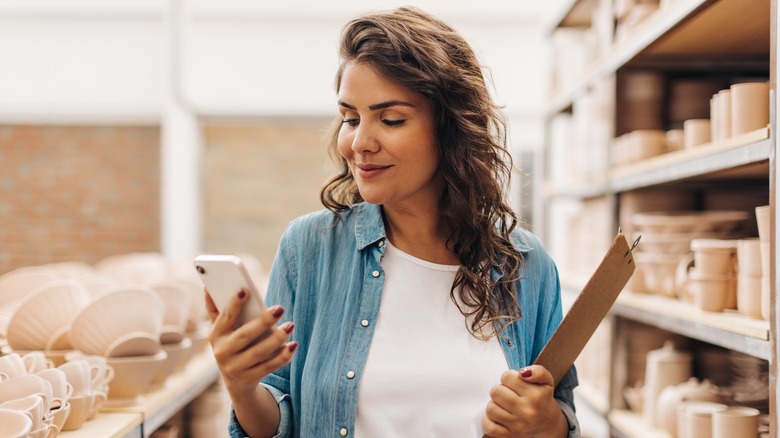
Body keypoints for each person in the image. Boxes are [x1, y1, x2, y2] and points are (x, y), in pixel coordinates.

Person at [205, 6, 579, 438]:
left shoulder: (528, 265)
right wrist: (243, 387)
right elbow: (278, 418)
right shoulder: (309, 248)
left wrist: (547, 423)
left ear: (451, 128)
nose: (359, 142)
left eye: (391, 119)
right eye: (350, 118)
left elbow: (561, 414)